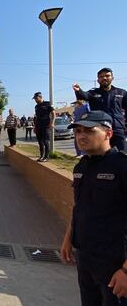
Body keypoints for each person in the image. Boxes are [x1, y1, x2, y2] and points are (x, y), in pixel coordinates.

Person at [60, 111, 127, 306]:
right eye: (78, 131)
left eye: (89, 130)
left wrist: (125, 271)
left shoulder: (122, 167)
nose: (81, 136)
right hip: (85, 257)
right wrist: (68, 239)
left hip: (115, 262)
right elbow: (78, 207)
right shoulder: (81, 167)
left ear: (108, 133)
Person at [73, 67, 127, 151]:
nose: (104, 78)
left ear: (112, 78)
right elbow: (84, 95)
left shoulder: (121, 92)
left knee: (122, 155)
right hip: (99, 130)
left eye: (107, 76)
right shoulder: (93, 93)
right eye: (101, 76)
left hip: (118, 130)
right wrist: (78, 90)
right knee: (100, 156)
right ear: (98, 80)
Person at [33, 92, 55, 162]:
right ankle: (41, 156)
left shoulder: (47, 104)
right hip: (38, 126)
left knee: (45, 141)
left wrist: (52, 123)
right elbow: (36, 117)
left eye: (36, 98)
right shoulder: (36, 106)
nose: (35, 100)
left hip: (45, 126)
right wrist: (35, 127)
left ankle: (46, 157)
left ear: (40, 97)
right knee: (40, 142)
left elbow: (53, 113)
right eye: (34, 99)